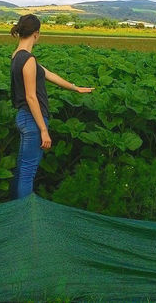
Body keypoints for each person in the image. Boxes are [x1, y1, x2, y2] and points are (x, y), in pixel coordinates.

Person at [9, 14, 93, 199]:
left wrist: (75, 88)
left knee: (22, 166)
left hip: (24, 117)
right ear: (36, 34)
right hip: (32, 119)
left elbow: (49, 74)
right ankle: (24, 214)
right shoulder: (28, 59)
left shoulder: (17, 55)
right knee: (28, 171)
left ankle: (14, 209)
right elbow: (31, 97)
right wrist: (43, 130)